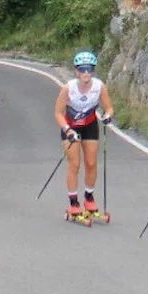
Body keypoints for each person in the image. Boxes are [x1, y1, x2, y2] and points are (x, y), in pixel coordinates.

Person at [54, 51, 115, 221]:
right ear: (77, 71)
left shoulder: (99, 86)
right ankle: (73, 203)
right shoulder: (68, 88)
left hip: (89, 126)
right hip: (71, 128)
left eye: (89, 69)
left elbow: (109, 107)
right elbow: (58, 113)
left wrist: (108, 116)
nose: (86, 73)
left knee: (91, 162)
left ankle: (89, 198)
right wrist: (67, 130)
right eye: (82, 69)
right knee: (74, 164)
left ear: (93, 71)